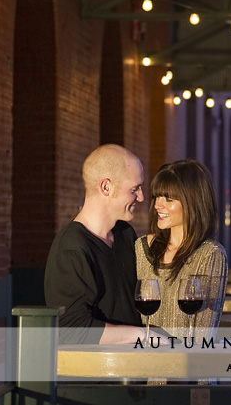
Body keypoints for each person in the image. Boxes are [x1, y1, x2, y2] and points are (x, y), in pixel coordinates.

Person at [44, 143, 151, 344]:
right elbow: (71, 328)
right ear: (106, 187)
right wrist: (140, 335)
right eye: (134, 189)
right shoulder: (72, 248)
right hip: (97, 372)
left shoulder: (126, 234)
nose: (141, 196)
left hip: (134, 369)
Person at [135, 159, 228, 341]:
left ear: (192, 202)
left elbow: (203, 335)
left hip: (184, 362)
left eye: (169, 199)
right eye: (157, 196)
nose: (157, 205)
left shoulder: (211, 254)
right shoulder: (141, 248)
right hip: (141, 359)